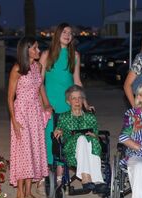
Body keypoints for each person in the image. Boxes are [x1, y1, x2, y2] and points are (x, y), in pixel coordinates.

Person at [39, 23, 92, 186]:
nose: (68, 35)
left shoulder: (74, 55)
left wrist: (85, 103)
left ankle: (61, 177)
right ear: (57, 34)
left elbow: (76, 81)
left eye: (70, 33)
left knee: (64, 138)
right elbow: (39, 82)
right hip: (50, 103)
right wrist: (45, 103)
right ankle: (44, 175)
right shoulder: (46, 55)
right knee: (48, 139)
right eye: (64, 32)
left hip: (68, 103)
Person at [8, 36, 49, 198]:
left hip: (35, 113)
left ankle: (28, 192)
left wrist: (46, 104)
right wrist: (14, 120)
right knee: (23, 153)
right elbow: (10, 98)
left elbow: (40, 87)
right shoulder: (17, 69)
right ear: (27, 50)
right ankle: (19, 195)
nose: (38, 51)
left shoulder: (37, 66)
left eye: (38, 48)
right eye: (35, 48)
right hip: (22, 113)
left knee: (33, 151)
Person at [53, 85, 106, 193]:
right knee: (81, 138)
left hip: (90, 148)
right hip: (72, 151)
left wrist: (94, 136)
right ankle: (86, 176)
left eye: (79, 98)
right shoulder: (64, 117)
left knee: (90, 140)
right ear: (68, 102)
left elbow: (96, 134)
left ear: (82, 100)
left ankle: (97, 180)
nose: (77, 101)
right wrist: (58, 132)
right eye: (74, 98)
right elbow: (59, 133)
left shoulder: (90, 117)